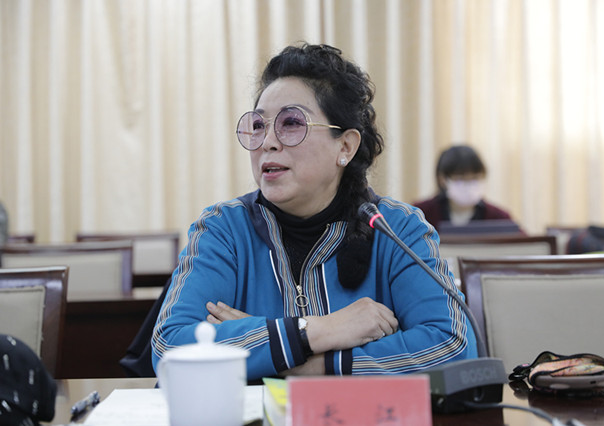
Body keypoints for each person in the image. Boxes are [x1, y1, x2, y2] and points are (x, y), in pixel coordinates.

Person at [151, 43, 477, 381]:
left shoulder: (396, 228)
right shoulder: (224, 229)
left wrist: (309, 363)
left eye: (291, 123)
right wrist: (319, 330)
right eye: (259, 125)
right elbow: (170, 348)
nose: (267, 142)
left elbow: (453, 346)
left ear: (345, 146)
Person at [413, 145, 513, 231]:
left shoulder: (499, 218)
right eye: (460, 179)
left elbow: (519, 243)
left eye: (475, 178)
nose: (468, 185)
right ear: (442, 179)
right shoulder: (420, 215)